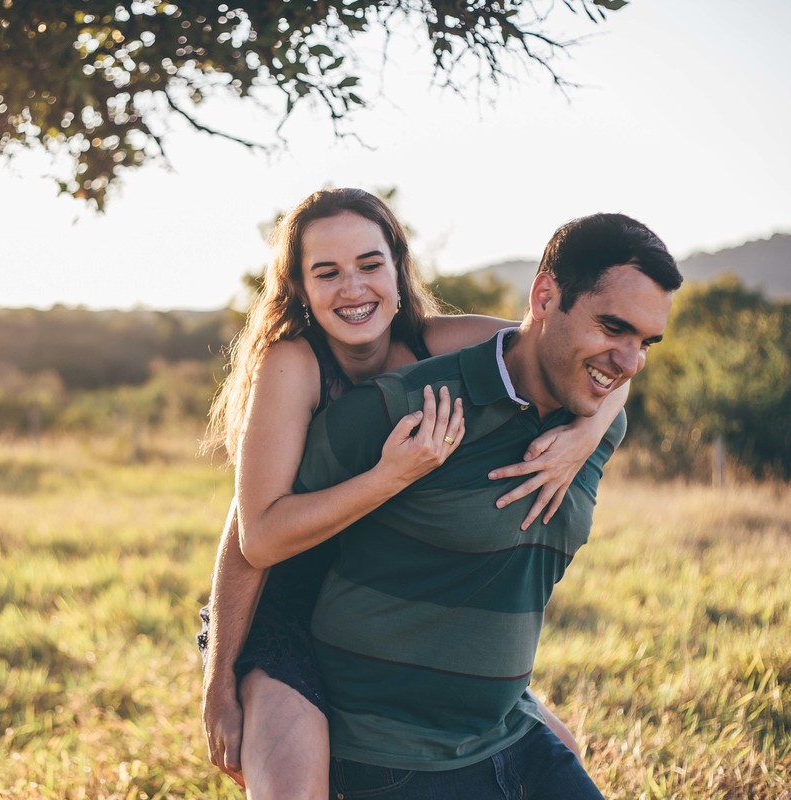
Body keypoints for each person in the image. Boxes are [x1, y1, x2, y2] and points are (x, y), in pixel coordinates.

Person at [200, 189, 630, 798]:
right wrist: (220, 681)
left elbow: (581, 352)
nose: (353, 288)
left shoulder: (441, 342)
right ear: (299, 288)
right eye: (327, 273)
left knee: (562, 749)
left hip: (385, 598)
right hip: (287, 604)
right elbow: (254, 536)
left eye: (370, 265)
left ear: (399, 271)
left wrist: (583, 436)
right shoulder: (292, 364)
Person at [293, 212, 683, 798]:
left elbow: (613, 387)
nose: (629, 362)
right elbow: (265, 529)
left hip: (510, 735)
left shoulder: (599, 425)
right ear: (546, 296)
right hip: (392, 756)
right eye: (612, 328)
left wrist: (590, 427)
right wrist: (228, 673)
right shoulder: (406, 406)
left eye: (645, 342)